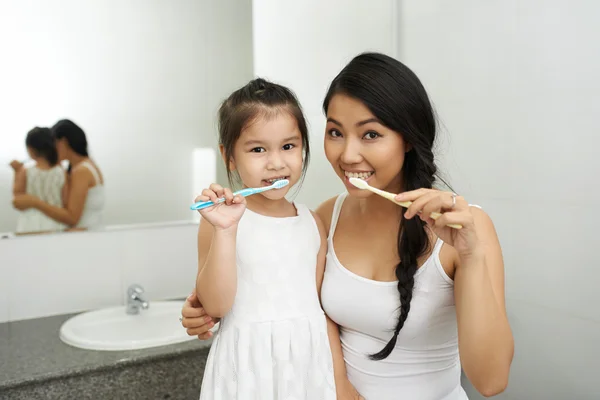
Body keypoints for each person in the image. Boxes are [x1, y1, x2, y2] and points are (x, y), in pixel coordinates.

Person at [182, 53, 514, 399]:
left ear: (409, 138)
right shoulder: (326, 217)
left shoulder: (467, 230)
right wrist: (204, 309)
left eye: (370, 134)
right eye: (336, 132)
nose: (348, 155)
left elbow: (491, 381)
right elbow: (296, 304)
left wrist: (472, 256)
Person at [192, 78, 337, 399]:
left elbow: (319, 308)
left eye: (289, 146)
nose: (276, 162)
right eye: (258, 149)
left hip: (307, 370)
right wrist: (226, 230)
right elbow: (215, 305)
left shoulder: (312, 223)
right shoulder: (220, 222)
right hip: (245, 371)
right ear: (228, 156)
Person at [12, 119, 105, 231]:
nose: (51, 151)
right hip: (90, 233)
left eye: (53, 144)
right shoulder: (85, 166)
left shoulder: (81, 171)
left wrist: (35, 202)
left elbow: (72, 217)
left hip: (85, 237)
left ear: (63, 142)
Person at [10, 127, 67, 234]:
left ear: (30, 149)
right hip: (55, 223)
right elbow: (65, 202)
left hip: (29, 224)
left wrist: (16, 172)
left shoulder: (25, 171)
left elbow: (17, 199)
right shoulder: (61, 172)